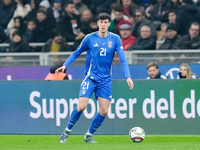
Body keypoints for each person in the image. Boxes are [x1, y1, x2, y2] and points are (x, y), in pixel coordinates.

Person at [56, 13, 134, 143]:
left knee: (104, 111)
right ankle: (67, 131)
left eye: (106, 22)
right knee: (81, 106)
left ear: (109, 24)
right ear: (97, 23)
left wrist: (128, 77)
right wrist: (65, 65)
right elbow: (77, 52)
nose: (103, 24)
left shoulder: (115, 39)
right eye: (101, 22)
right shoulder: (89, 38)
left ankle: (89, 135)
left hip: (105, 80)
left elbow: (123, 59)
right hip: (90, 77)